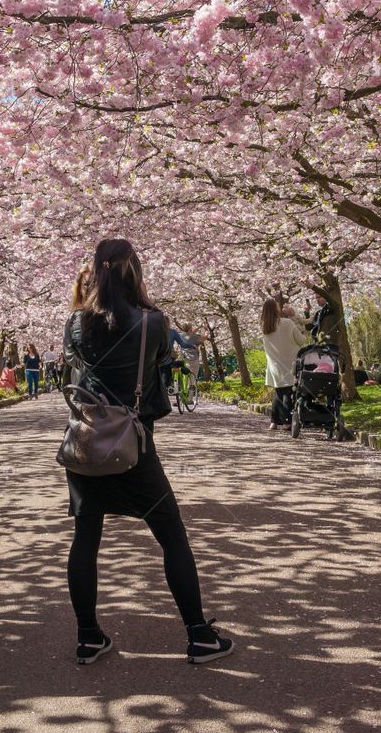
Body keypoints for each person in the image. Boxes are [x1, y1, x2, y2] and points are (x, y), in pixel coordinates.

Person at [62, 238, 234, 666]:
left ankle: (87, 637)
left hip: (87, 443)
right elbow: (158, 362)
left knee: (86, 537)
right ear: (135, 271)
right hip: (133, 447)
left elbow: (76, 360)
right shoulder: (153, 322)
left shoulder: (76, 323)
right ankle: (198, 634)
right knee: (172, 535)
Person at [261, 298, 309, 429]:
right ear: (276, 309)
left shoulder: (265, 327)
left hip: (274, 365)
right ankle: (287, 422)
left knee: (279, 391)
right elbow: (301, 340)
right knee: (288, 392)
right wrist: (302, 330)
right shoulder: (287, 323)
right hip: (290, 362)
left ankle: (274, 422)